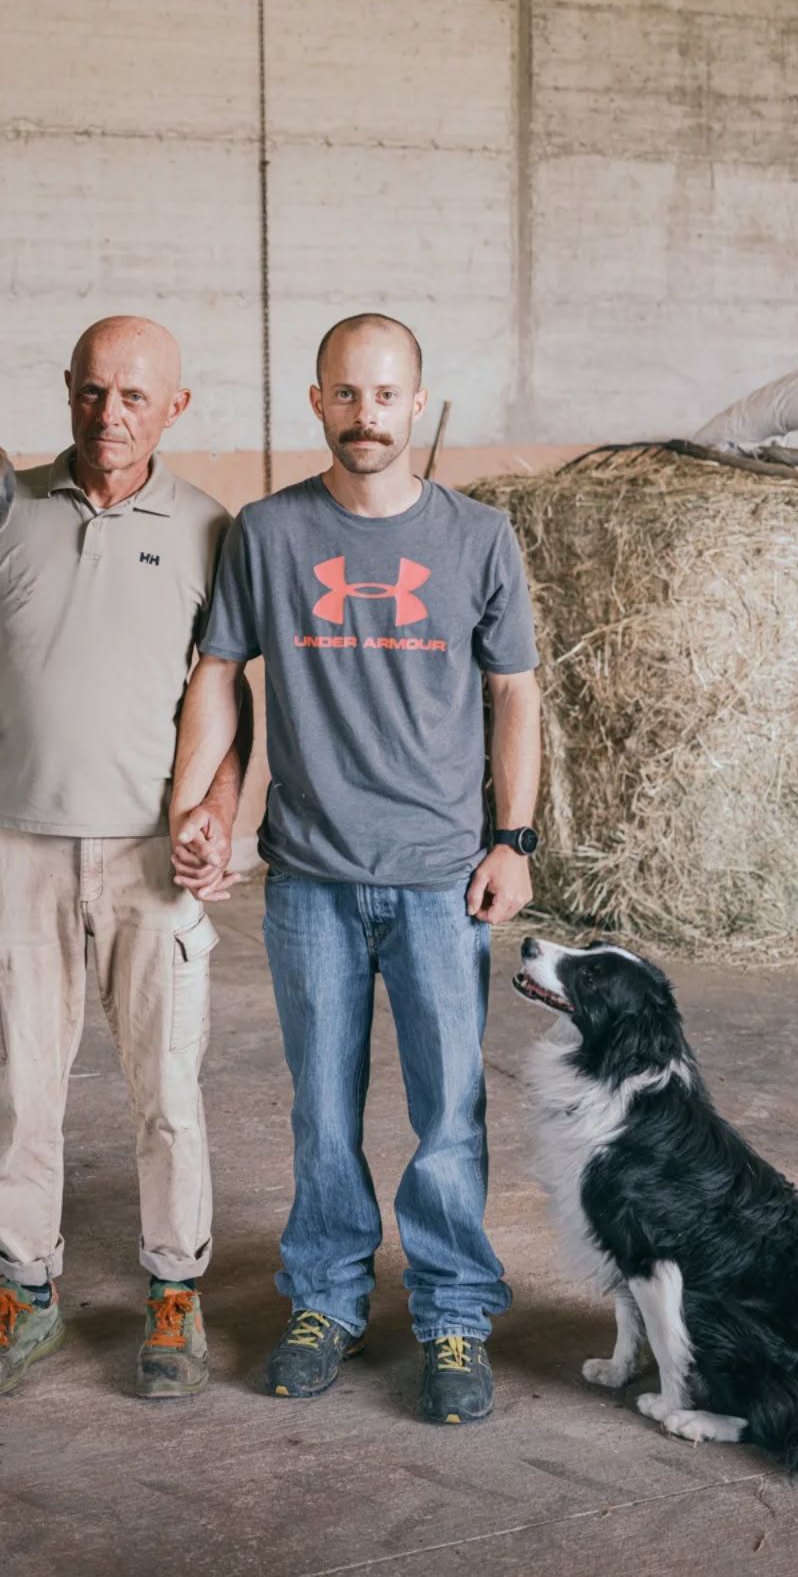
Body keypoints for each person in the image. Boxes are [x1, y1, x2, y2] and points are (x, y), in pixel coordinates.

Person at [0, 316, 247, 1400]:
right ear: (66, 390)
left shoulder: (213, 529)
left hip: (151, 858)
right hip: (20, 846)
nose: (108, 416)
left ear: (174, 408)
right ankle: (25, 1296)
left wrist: (218, 811)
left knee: (167, 1086)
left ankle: (174, 1294)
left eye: (132, 397)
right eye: (91, 392)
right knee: (22, 1086)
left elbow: (227, 699)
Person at [169, 313, 542, 1424]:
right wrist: (196, 808)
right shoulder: (269, 534)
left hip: (440, 878)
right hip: (312, 878)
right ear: (318, 400)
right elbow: (219, 673)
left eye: (386, 396)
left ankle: (453, 1316)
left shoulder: (480, 537)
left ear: (416, 404)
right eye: (346, 394)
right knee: (321, 1109)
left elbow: (515, 690)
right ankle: (326, 1298)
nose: (366, 415)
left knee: (449, 1112)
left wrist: (513, 842)